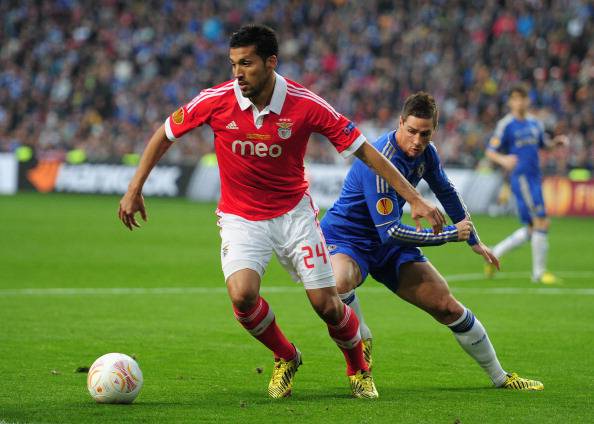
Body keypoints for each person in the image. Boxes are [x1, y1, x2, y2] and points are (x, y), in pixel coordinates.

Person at [118, 25, 446, 399]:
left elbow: (366, 151)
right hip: (241, 217)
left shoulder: (306, 104)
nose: (238, 73)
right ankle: (286, 355)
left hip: (294, 216)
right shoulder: (216, 100)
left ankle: (358, 367)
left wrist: (414, 199)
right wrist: (134, 188)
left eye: (246, 63)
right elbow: (165, 133)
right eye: (233, 64)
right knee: (242, 296)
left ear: (271, 62)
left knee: (326, 304)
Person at [321, 92, 544, 390]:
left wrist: (474, 240)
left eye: (425, 134)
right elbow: (392, 231)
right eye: (411, 131)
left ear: (434, 130)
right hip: (348, 238)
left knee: (447, 307)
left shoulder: (427, 153)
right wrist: (450, 234)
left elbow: (447, 192)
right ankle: (362, 339)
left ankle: (501, 377)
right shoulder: (380, 160)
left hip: (387, 246)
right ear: (400, 123)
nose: (417, 141)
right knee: (339, 282)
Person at [485, 84, 568, 283]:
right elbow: (490, 151)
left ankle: (494, 253)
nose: (519, 102)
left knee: (532, 228)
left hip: (535, 177)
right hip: (522, 178)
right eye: (515, 98)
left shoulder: (535, 123)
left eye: (522, 98)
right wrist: (504, 160)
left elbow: (544, 145)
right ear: (510, 102)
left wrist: (555, 143)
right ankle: (539, 274)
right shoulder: (506, 125)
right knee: (542, 221)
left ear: (528, 100)